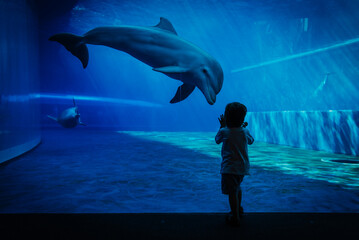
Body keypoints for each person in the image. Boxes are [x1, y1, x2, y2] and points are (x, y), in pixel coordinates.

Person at [215, 102, 254, 226]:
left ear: (226, 117)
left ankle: (235, 216)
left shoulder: (224, 131)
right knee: (237, 188)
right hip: (242, 168)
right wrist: (243, 128)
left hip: (229, 168)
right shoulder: (244, 131)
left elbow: (217, 140)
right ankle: (239, 209)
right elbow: (251, 141)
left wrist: (222, 126)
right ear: (242, 118)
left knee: (232, 192)